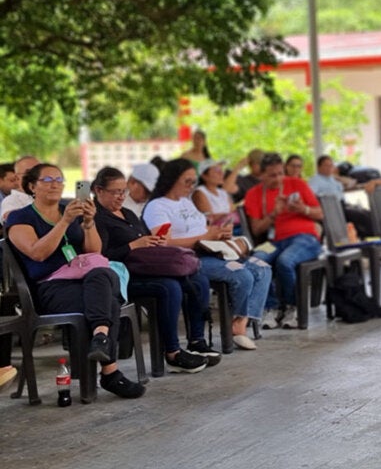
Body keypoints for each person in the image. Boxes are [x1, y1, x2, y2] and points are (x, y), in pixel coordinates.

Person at [6, 163, 145, 398]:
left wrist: (89, 224)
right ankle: (110, 372)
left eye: (59, 180)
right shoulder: (20, 218)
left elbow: (95, 253)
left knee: (103, 272)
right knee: (107, 300)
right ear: (32, 186)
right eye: (47, 180)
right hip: (49, 288)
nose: (55, 185)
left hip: (86, 281)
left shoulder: (69, 209)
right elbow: (38, 253)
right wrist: (64, 223)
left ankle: (101, 338)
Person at [93, 166, 219, 373]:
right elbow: (100, 256)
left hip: (147, 267)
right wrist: (132, 246)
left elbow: (144, 239)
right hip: (123, 275)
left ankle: (197, 340)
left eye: (123, 192)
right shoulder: (97, 218)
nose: (121, 197)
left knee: (198, 279)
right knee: (170, 287)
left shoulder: (128, 214)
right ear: (99, 191)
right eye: (115, 192)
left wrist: (155, 241)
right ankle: (172, 352)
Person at [143, 159, 271, 351]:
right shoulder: (157, 207)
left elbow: (202, 228)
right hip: (188, 258)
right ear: (172, 180)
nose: (191, 186)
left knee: (262, 267)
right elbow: (165, 242)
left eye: (193, 182)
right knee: (241, 274)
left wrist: (218, 233)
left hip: (211, 250)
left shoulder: (186, 202)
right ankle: (236, 330)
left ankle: (240, 322)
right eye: (187, 181)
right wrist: (206, 236)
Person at [243, 153, 323, 330]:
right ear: (261, 175)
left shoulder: (297, 184)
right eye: (273, 175)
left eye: (280, 173)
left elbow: (320, 213)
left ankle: (292, 308)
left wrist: (304, 209)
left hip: (304, 237)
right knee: (257, 260)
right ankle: (270, 307)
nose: (279, 178)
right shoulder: (254, 194)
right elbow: (256, 229)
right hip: (275, 240)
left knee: (285, 261)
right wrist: (274, 214)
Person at [308, 155, 374, 238]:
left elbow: (352, 182)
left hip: (343, 205)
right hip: (332, 209)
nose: (329, 168)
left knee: (367, 213)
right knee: (362, 217)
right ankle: (369, 240)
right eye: (326, 165)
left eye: (331, 165)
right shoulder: (316, 180)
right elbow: (310, 195)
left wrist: (337, 177)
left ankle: (368, 239)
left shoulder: (332, 179)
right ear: (318, 167)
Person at [192, 159, 241, 232]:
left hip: (232, 228)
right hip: (218, 232)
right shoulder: (200, 192)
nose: (221, 173)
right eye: (217, 170)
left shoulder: (222, 192)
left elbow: (232, 211)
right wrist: (227, 215)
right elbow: (210, 219)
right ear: (204, 176)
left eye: (221, 170)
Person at [1, 155, 40, 222]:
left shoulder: (50, 197)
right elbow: (11, 218)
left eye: (39, 172)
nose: (35, 176)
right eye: (29, 172)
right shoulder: (11, 200)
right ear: (17, 178)